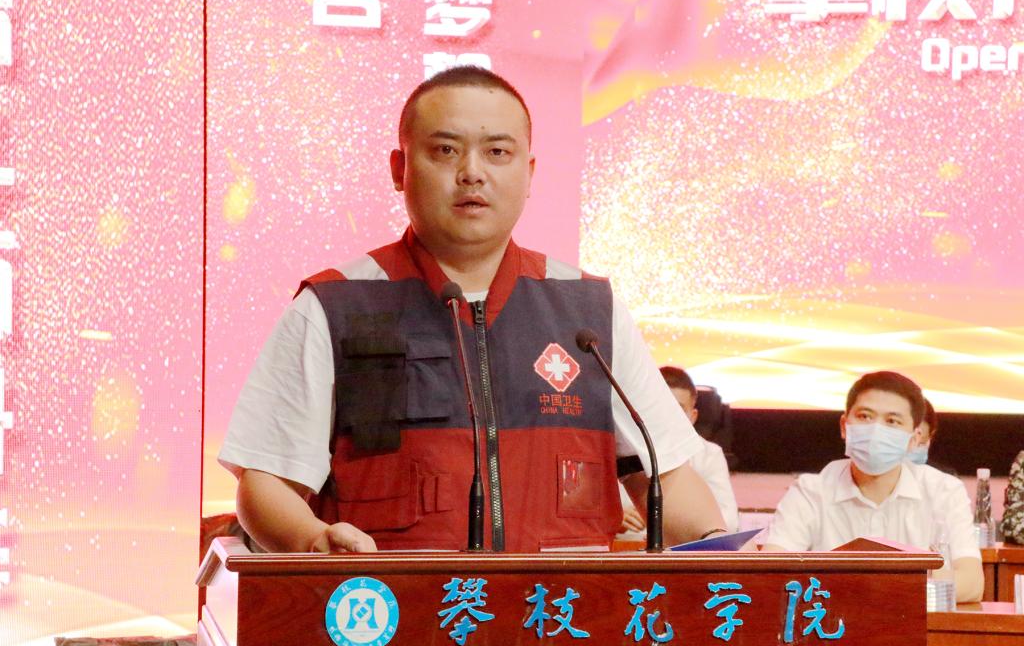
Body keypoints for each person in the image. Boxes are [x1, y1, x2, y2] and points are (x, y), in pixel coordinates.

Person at [218, 66, 726, 554]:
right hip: (394, 607)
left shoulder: (589, 311)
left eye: (497, 152)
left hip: (558, 607)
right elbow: (265, 482)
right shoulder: (335, 306)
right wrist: (312, 540)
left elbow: (668, 478)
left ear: (528, 173)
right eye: (445, 150)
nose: (472, 173)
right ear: (399, 169)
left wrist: (721, 548)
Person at [762, 371, 984, 602]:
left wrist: (871, 590)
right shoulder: (810, 491)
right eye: (865, 416)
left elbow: (971, 584)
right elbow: (771, 575)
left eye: (892, 421)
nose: (876, 430)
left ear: (914, 439)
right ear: (844, 426)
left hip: (911, 622)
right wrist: (906, 585)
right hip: (832, 622)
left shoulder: (944, 491)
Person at [618, 367, 739, 534]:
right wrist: (613, 519)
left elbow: (729, 522)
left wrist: (675, 519)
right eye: (660, 406)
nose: (668, 416)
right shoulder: (620, 447)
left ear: (693, 417)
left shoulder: (709, 454)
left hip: (683, 547)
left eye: (677, 410)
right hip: (624, 546)